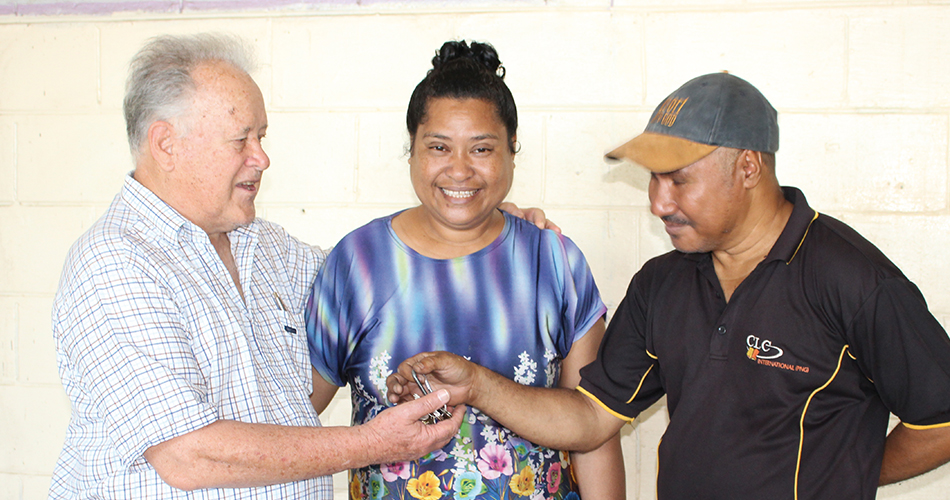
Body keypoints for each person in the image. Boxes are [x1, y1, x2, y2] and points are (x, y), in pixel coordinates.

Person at [388, 72, 950, 499]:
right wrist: (477, 385)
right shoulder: (663, 284)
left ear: (748, 167)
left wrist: (842, 471)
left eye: (679, 179)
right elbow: (589, 420)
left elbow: (941, 422)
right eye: (654, 179)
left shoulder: (851, 278)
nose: (658, 202)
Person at [48, 33, 469, 499]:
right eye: (240, 140)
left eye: (261, 136)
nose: (261, 158)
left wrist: (479, 219)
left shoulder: (261, 245)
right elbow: (189, 455)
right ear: (166, 145)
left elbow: (372, 275)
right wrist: (374, 443)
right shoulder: (115, 262)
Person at [306, 40, 624, 500]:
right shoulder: (357, 263)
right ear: (411, 150)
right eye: (438, 146)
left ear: (512, 152)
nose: (459, 171)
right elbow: (296, 413)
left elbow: (594, 426)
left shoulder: (553, 261)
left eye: (481, 149)